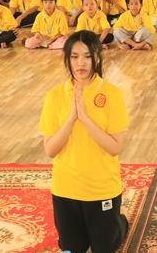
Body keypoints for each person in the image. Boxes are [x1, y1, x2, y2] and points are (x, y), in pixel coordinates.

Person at [39, 31, 129, 252]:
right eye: (75, 56)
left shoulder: (112, 94)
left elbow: (115, 147)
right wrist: (71, 118)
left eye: (87, 56)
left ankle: (120, 222)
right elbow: (50, 150)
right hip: (66, 189)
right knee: (71, 249)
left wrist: (86, 118)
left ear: (97, 57)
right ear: (67, 59)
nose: (81, 63)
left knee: (104, 248)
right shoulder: (55, 96)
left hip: (101, 188)